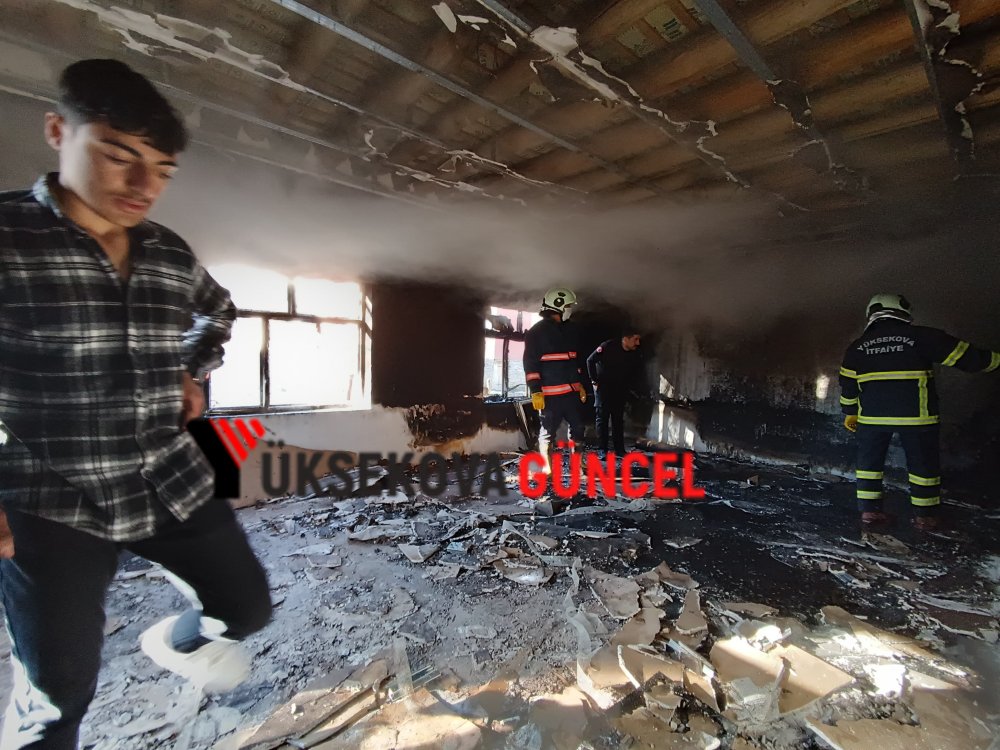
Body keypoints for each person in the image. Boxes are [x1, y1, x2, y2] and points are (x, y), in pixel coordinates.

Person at [0, 59, 271, 749]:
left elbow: (217, 311)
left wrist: (191, 370)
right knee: (58, 692)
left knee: (244, 607)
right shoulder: (8, 238)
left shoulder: (167, 254)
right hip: (51, 495)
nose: (143, 185)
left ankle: (176, 644)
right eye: (119, 157)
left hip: (165, 473)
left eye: (162, 170)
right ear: (58, 131)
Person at [839, 293, 1000, 530]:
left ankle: (870, 513)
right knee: (923, 466)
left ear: (871, 315)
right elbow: (972, 359)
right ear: (902, 311)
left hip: (872, 418)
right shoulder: (923, 337)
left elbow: (848, 387)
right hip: (916, 416)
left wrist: (850, 412)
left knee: (868, 465)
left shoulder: (856, 348)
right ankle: (926, 517)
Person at [523, 288, 587, 472]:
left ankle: (578, 464)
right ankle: (547, 468)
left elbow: (576, 360)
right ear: (558, 306)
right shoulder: (536, 332)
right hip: (550, 395)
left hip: (571, 394)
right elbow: (530, 364)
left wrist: (581, 385)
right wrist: (535, 390)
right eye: (568, 306)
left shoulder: (571, 330)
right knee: (547, 432)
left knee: (578, 429)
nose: (569, 310)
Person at [587, 327, 644, 457]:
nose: (637, 343)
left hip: (620, 389)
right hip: (604, 389)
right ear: (625, 339)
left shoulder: (633, 353)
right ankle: (602, 450)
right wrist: (594, 381)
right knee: (603, 420)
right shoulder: (607, 346)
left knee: (618, 420)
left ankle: (619, 449)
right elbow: (590, 361)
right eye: (635, 339)